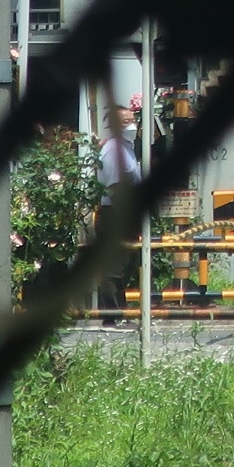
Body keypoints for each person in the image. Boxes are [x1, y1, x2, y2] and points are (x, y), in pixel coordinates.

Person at [97, 104, 141, 314]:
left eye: (133, 120)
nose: (132, 125)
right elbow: (115, 188)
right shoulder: (114, 150)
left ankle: (118, 312)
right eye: (126, 122)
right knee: (114, 267)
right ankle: (111, 314)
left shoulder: (126, 147)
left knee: (123, 266)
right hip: (115, 215)